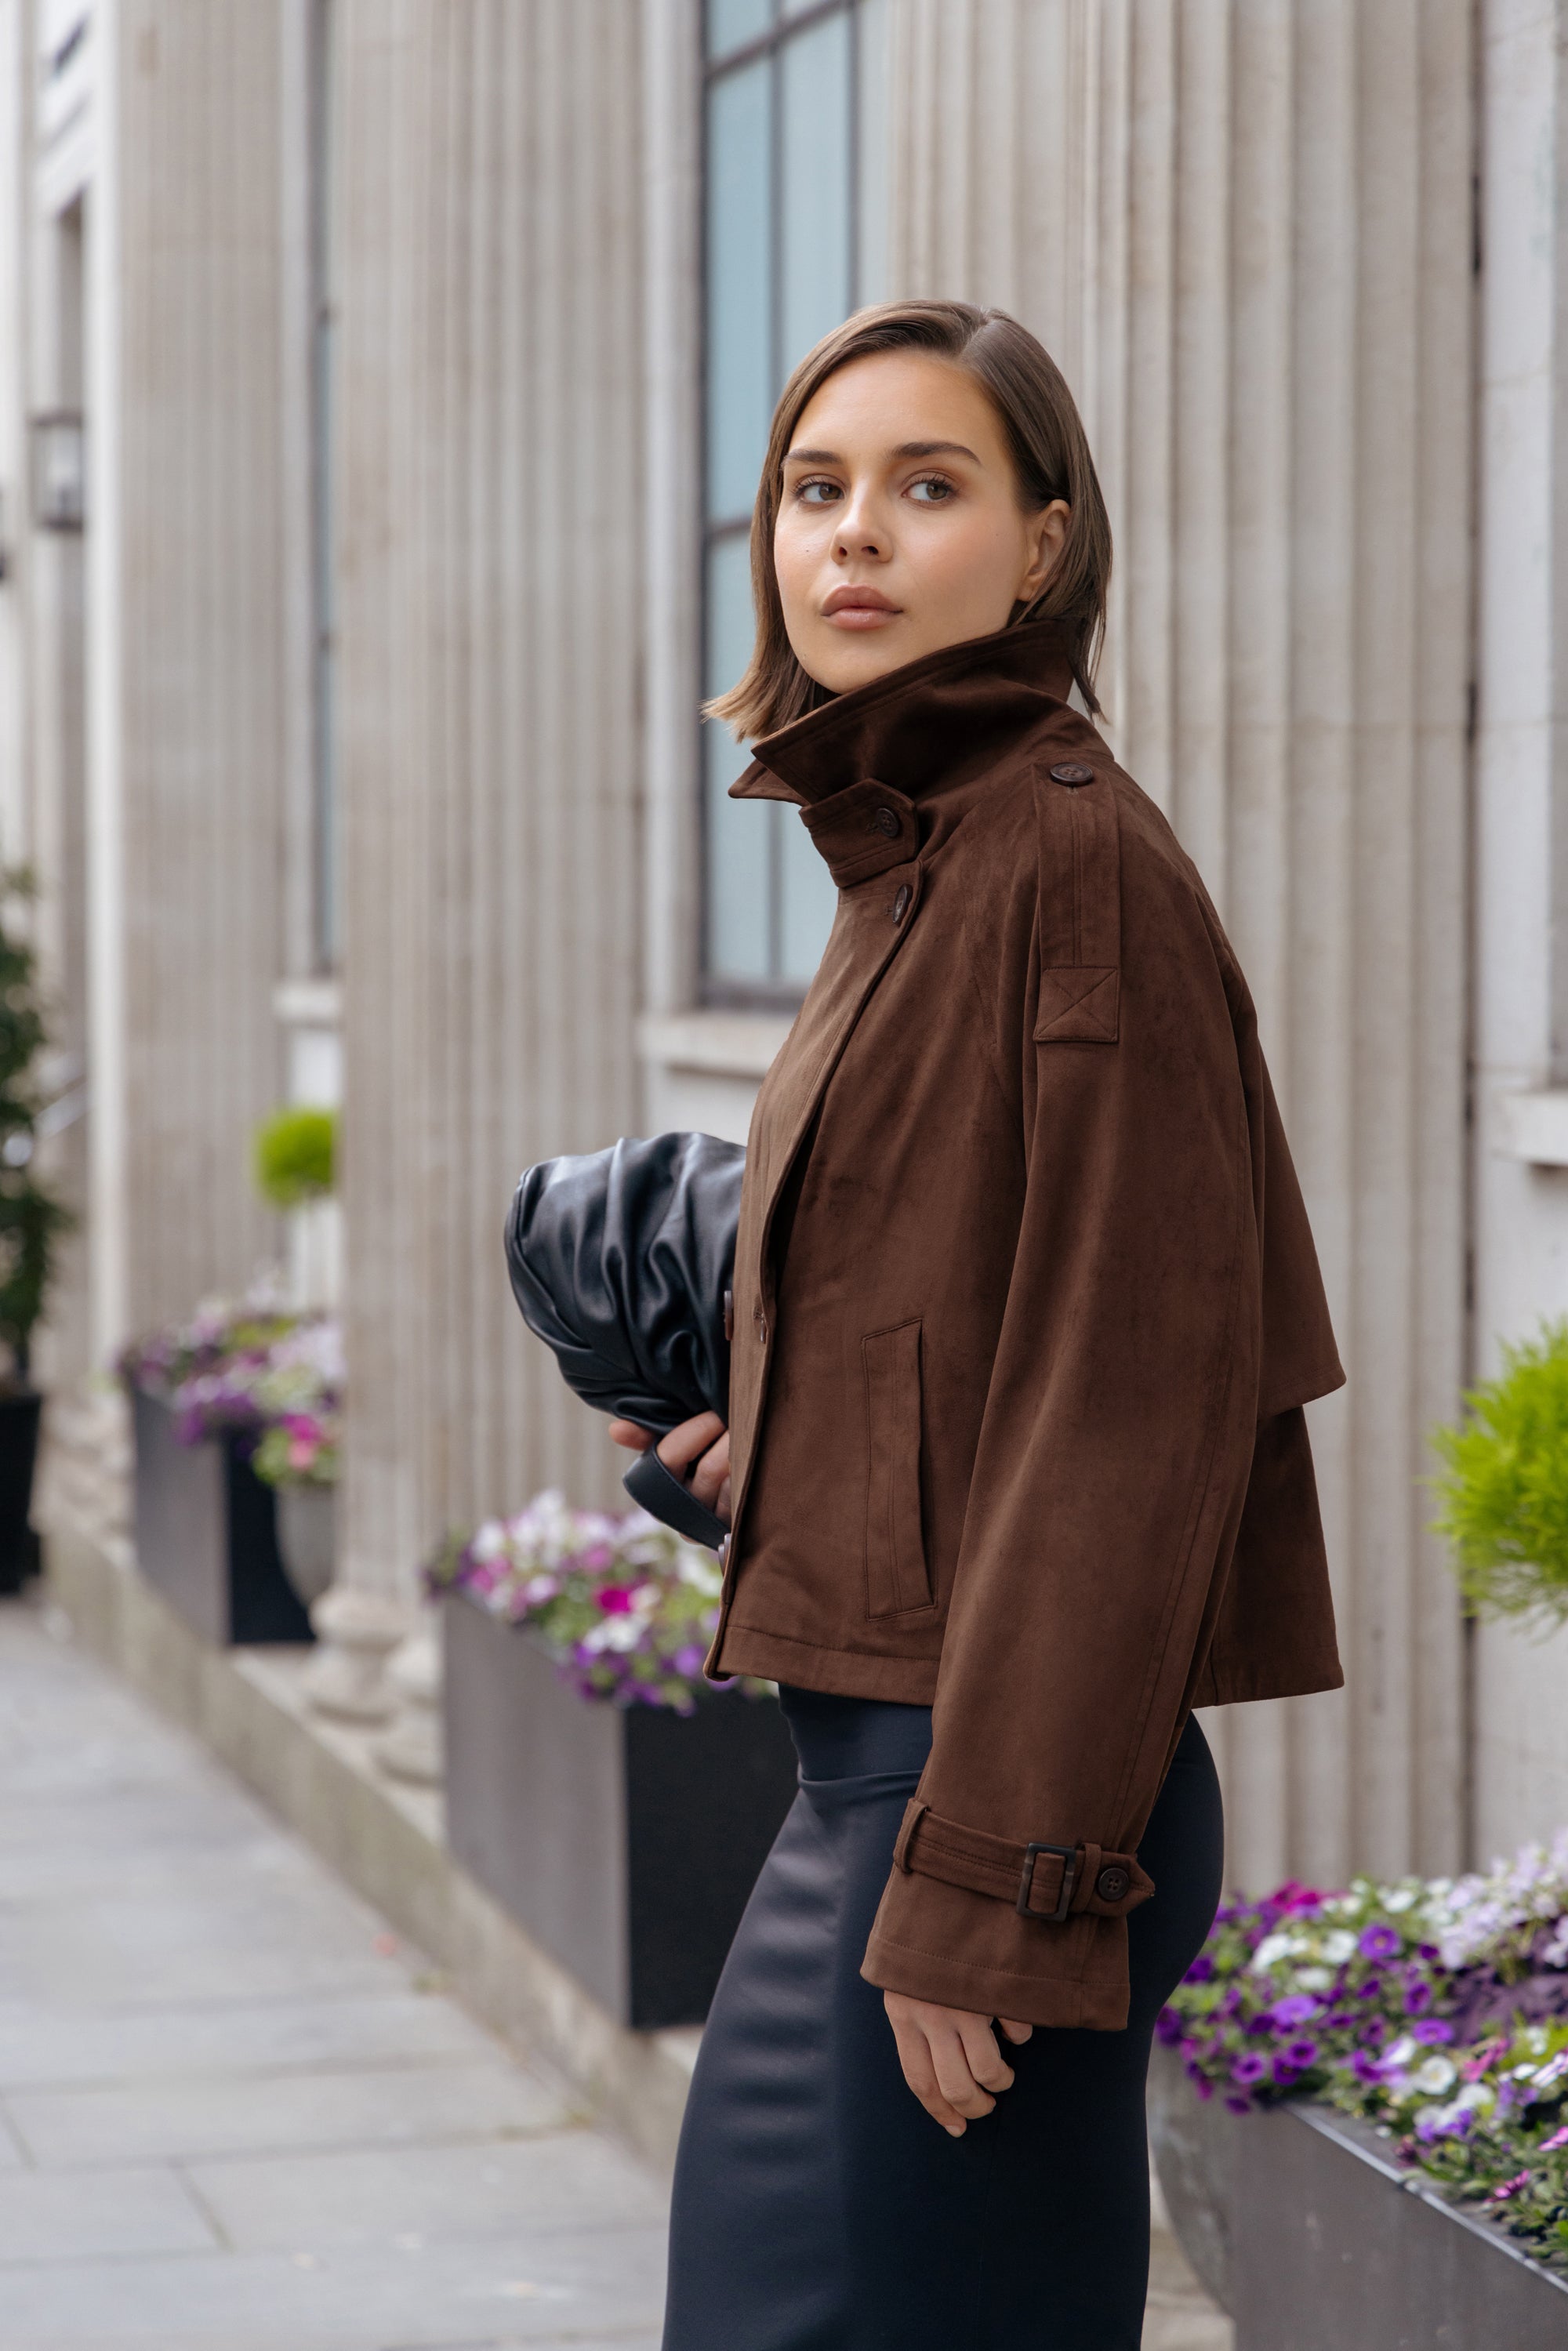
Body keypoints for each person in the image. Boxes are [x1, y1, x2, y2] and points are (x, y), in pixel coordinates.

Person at [613, 299, 1345, 2349]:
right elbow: (967, 1342)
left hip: (985, 1811)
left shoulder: (1065, 862)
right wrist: (776, 1463)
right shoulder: (921, 862)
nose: (852, 535)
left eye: (927, 488)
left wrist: (1002, 1888)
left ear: (1041, 544)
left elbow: (1129, 1405)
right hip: (884, 1785)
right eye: (814, 489)